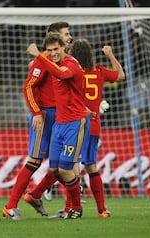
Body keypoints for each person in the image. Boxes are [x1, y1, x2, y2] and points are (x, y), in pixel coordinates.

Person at [2, 22, 72, 220]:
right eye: (66, 34)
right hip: (46, 116)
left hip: (65, 117)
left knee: (63, 165)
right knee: (34, 161)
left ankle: (65, 207)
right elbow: (29, 87)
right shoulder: (42, 62)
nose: (70, 37)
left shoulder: (69, 61)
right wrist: (37, 113)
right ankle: (10, 206)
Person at [48, 38, 125, 219]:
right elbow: (120, 75)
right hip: (94, 125)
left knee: (69, 167)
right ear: (90, 54)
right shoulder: (99, 71)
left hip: (75, 122)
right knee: (91, 167)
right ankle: (102, 210)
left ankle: (71, 208)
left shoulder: (72, 71)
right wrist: (110, 55)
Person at [23, 32, 90, 219]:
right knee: (54, 170)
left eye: (56, 49)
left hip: (74, 124)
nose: (53, 53)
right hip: (59, 125)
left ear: (64, 48)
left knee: (66, 169)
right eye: (49, 50)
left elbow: (62, 74)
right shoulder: (53, 64)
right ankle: (71, 190)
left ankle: (75, 208)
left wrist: (38, 56)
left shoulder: (71, 64)